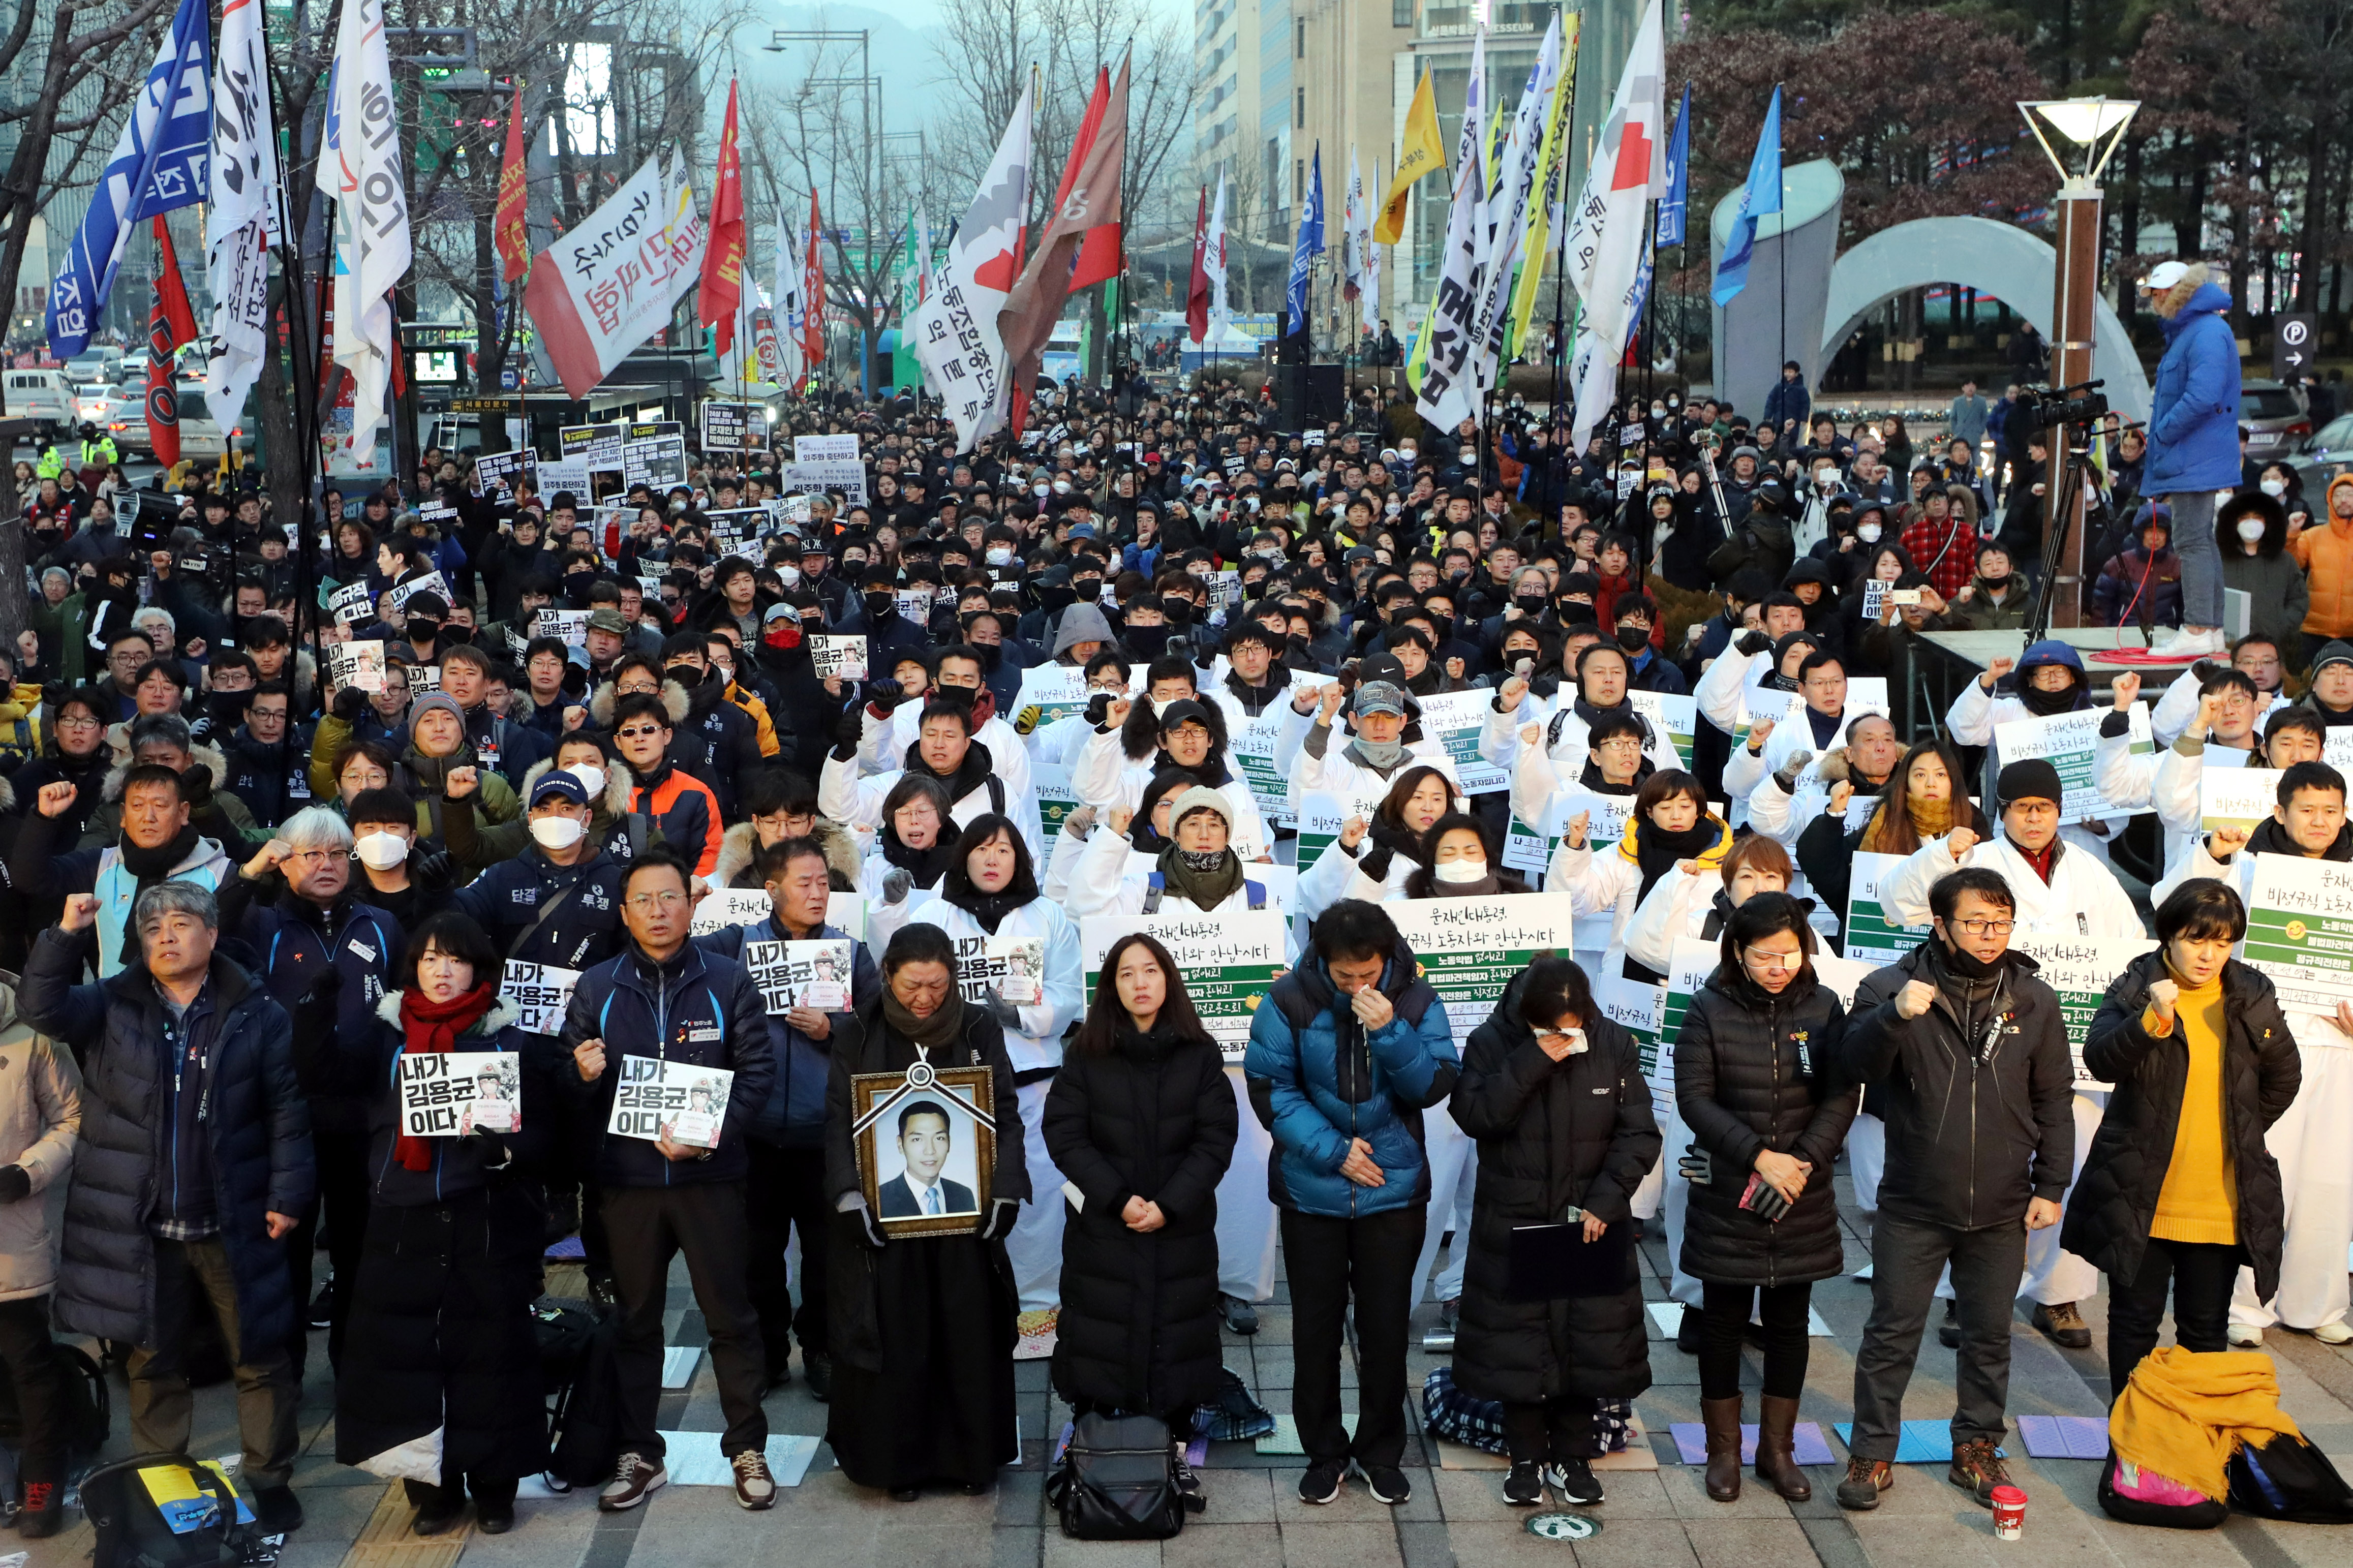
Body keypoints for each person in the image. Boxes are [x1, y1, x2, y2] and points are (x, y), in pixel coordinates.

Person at [18, 882, 312, 1536]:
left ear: (212, 933)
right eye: (153, 929)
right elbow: (39, 1008)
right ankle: (164, 1480)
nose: (168, 937)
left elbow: (286, 1111)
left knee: (259, 1354)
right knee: (150, 1360)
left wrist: (287, 1195)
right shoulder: (112, 1004)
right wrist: (66, 935)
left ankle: (269, 1479)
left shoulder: (256, 1012)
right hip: (139, 1221)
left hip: (233, 1217)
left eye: (182, 924)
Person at [1836, 867, 2075, 1512]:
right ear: (1938, 923)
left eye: (2001, 923)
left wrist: (2051, 1183)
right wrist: (1892, 1017)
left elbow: (2054, 1098)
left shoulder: (2034, 998)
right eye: (1974, 922)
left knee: (1989, 1334)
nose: (1990, 936)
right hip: (1915, 1200)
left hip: (2002, 1204)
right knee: (1892, 1332)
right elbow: (1851, 1066)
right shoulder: (1889, 986)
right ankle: (1872, 1452)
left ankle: (1976, 1446)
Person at [562, 849, 777, 1512]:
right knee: (635, 1321)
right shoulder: (597, 986)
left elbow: (757, 1074)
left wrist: (707, 1135)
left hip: (711, 1179)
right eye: (644, 901)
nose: (658, 911)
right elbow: (566, 1084)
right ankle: (638, 1452)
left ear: (691, 905)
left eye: (670, 898)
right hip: (626, 1183)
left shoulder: (728, 979)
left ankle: (746, 1445)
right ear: (624, 913)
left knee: (731, 1317)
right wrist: (583, 1073)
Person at [335, 911, 553, 1536]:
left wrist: (509, 1153)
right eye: (430, 958)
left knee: (491, 1356)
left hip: (485, 1215)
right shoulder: (383, 1034)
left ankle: (495, 1486)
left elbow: (544, 1126)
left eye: (455, 958)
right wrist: (313, 1021)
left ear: (478, 968)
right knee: (407, 1360)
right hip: (401, 1215)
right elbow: (330, 1084)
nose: (442, 969)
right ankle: (432, 1491)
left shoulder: (509, 1037)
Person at [1243, 898, 1460, 1506]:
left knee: (1386, 1325)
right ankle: (1324, 1450)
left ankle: (1381, 1449)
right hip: (1314, 1189)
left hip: (1392, 1191)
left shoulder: (1415, 997)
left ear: (1386, 956)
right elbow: (1271, 1088)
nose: (1358, 985)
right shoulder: (1288, 998)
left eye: (1368, 973)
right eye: (1346, 977)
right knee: (1314, 1328)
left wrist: (1388, 1028)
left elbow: (1433, 1082)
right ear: (1322, 961)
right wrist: (1334, 1151)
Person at [2067, 879, 2300, 1396]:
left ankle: (2191, 1452)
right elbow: (2101, 1057)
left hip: (2219, 1201)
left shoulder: (2251, 992)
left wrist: (2241, 1128)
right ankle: (2131, 1451)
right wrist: (2152, 1019)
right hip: (2142, 1198)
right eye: (2197, 940)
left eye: (2222, 942)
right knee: (2133, 1327)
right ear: (2169, 935)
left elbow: (2285, 1077)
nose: (2209, 954)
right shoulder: (2137, 986)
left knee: (2204, 1333)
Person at [824, 922, 1029, 1499]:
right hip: (886, 1224)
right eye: (913, 985)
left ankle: (972, 1458)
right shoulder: (857, 1030)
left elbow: (1005, 1112)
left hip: (963, 1220)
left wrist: (1006, 1188)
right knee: (900, 1341)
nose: (925, 999)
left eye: (938, 986)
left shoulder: (979, 1026)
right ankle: (901, 1466)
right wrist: (848, 1195)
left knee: (967, 1338)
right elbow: (839, 1120)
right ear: (888, 975)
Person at [1450, 954, 1659, 1508]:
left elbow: (1639, 1132)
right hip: (1517, 1218)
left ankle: (1574, 1456)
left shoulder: (1613, 1042)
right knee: (1521, 1344)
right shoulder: (1492, 1041)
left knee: (1585, 1342)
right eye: (1553, 1028)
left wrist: (1606, 1201)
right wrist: (1531, 1059)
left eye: (1574, 1025)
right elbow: (1475, 1116)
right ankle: (1524, 1458)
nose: (1566, 1036)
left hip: (1589, 1221)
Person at [1042, 932, 1239, 1512]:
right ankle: (1099, 1438)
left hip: (1179, 1226)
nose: (1140, 983)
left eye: (1150, 971)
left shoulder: (1199, 1053)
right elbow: (1066, 1134)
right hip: (1106, 1225)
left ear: (1168, 979)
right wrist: (1118, 1198)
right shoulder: (1086, 1052)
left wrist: (1170, 1203)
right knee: (1101, 1323)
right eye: (1126, 974)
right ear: (1111, 988)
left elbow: (1215, 1138)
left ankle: (1168, 1443)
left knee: (1177, 1329)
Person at [1674, 892, 1857, 1504]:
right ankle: (1721, 1449)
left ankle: (1777, 1450)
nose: (1781, 967)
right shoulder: (1707, 1008)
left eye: (1791, 954)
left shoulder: (1824, 1004)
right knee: (1723, 1322)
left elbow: (1841, 1092)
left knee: (1789, 1323)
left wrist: (1803, 1161)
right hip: (1732, 1189)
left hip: (1801, 1191)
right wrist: (1759, 1156)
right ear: (1736, 951)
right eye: (1765, 956)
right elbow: (1695, 1099)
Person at [692, 834, 876, 1400]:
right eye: (805, 882)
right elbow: (683, 967)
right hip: (752, 1133)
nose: (818, 892)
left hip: (824, 1135)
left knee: (827, 1255)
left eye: (824, 881)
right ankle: (767, 1351)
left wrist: (834, 1030)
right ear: (771, 889)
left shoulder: (850, 952)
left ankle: (821, 1347)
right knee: (755, 1254)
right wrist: (690, 903)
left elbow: (877, 1029)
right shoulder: (735, 946)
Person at [0, 967, 82, 1539]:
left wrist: (26, 1173)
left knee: (30, 1364)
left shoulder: (31, 1035)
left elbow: (72, 1117)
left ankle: (42, 1480)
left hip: (11, 1237)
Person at [2138, 260, 2243, 658]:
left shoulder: (2205, 331)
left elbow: (2202, 395)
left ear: (2181, 289)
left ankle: (2199, 626)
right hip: (2196, 451)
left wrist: (2163, 431)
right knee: (2198, 540)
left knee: (2190, 540)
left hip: (2193, 452)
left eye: (2161, 291)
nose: (2156, 298)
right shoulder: (2197, 330)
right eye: (2154, 293)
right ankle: (2209, 629)